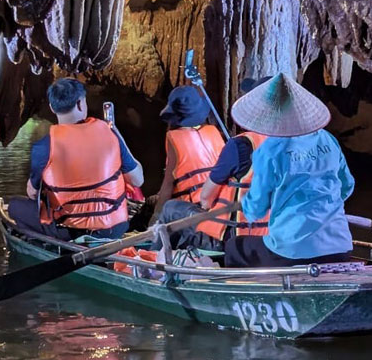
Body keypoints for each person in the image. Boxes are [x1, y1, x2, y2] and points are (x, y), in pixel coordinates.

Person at [221, 72, 356, 268]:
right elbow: (347, 186)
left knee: (235, 247)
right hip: (339, 246)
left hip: (292, 249)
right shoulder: (327, 139)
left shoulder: (270, 150)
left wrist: (246, 205)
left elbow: (257, 207)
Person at [7, 78, 143, 240]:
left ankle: (40, 241)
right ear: (80, 104)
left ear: (52, 108)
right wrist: (117, 136)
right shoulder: (109, 134)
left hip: (70, 231)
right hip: (114, 228)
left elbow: (32, 193)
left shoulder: (44, 147)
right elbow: (137, 180)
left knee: (14, 206)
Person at [196, 76, 272, 244]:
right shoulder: (296, 145)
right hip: (277, 236)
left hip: (237, 237)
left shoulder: (241, 145)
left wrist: (205, 206)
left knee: (173, 210)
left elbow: (206, 198)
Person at [149, 85, 225, 245]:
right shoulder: (214, 132)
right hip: (218, 212)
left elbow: (168, 185)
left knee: (167, 208)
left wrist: (154, 218)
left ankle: (152, 253)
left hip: (193, 213)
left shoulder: (174, 138)